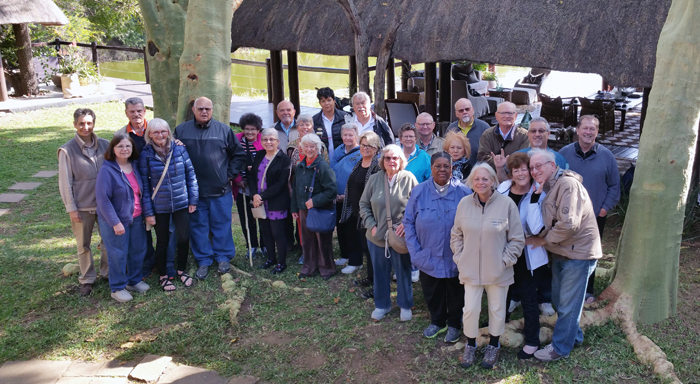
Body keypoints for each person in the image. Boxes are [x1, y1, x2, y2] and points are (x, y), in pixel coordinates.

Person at [525, 149, 602, 362]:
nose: (534, 170)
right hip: (562, 252)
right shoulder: (548, 186)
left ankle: (559, 348)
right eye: (531, 167)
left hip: (578, 254)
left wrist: (543, 240)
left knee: (567, 304)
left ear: (552, 165)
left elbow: (569, 224)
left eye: (538, 166)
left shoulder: (567, 185)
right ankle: (573, 336)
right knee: (560, 301)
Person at [451, 164, 524, 369]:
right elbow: (456, 234)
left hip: (498, 271)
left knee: (497, 309)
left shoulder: (507, 204)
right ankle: (471, 344)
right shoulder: (464, 204)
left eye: (485, 179)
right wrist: (460, 257)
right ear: (471, 182)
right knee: (471, 309)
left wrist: (504, 261)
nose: (481, 183)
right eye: (477, 179)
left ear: (493, 181)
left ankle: (494, 344)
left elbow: (517, 239)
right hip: (470, 269)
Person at [174, 97, 246, 280]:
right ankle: (203, 260)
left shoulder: (223, 130)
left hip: (220, 189)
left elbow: (238, 155)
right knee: (198, 226)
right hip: (194, 192)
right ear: (194, 109)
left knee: (222, 224)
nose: (204, 112)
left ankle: (223, 257)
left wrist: (228, 175)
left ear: (212, 109)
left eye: (207, 108)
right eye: (200, 109)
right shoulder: (181, 130)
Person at [404, 152, 471, 343]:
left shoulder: (464, 192)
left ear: (452, 169)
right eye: (438, 166)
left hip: (455, 256)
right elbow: (408, 222)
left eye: (446, 166)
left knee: (456, 292)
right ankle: (437, 321)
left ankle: (454, 324)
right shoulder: (419, 192)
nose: (442, 170)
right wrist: (415, 252)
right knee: (432, 290)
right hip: (428, 253)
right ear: (431, 169)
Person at [558, 115, 620, 303]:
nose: (588, 132)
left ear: (597, 132)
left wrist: (604, 210)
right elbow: (554, 182)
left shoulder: (606, 156)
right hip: (567, 216)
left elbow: (615, 185)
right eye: (585, 128)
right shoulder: (564, 153)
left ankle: (587, 290)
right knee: (564, 251)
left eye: (592, 129)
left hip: (594, 216)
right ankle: (563, 288)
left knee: (590, 254)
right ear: (577, 130)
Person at [115, 97, 177, 281]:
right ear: (126, 113)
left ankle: (166, 261)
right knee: (144, 228)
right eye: (132, 111)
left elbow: (170, 144)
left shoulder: (156, 129)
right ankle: (148, 263)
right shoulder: (121, 134)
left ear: (145, 111)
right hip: (136, 188)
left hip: (161, 189)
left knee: (166, 228)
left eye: (139, 111)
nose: (136, 114)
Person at [496, 152, 549, 359]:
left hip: (528, 256)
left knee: (528, 297)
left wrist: (535, 199)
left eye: (524, 169)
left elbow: (536, 229)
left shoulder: (539, 194)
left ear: (531, 171)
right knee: (502, 292)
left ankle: (533, 340)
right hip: (505, 251)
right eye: (516, 169)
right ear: (511, 172)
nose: (520, 173)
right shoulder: (502, 190)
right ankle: (498, 327)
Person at [359, 144, 418, 321]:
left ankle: (405, 305)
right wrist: (371, 225)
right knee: (380, 272)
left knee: (403, 271)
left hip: (400, 237)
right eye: (387, 158)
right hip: (376, 236)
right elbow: (363, 204)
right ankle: (382, 305)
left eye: (395, 158)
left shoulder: (409, 178)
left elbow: (418, 206)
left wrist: (407, 225)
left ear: (401, 160)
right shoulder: (375, 179)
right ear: (382, 161)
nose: (391, 161)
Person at [139, 118, 199, 292]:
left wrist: (193, 199)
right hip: (159, 206)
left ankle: (182, 269)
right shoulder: (146, 154)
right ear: (149, 134)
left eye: (163, 131)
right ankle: (164, 275)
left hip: (181, 202)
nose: (160, 135)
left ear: (168, 132)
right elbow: (144, 186)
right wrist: (148, 212)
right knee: (163, 241)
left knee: (183, 238)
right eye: (156, 132)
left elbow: (191, 175)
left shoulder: (179, 149)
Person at [58, 108, 110, 296]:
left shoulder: (105, 145)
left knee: (108, 241)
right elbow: (65, 182)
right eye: (81, 123)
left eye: (89, 123)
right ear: (75, 125)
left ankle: (108, 272)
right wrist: (71, 208)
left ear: (94, 124)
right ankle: (87, 278)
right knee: (84, 244)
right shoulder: (67, 150)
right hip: (82, 206)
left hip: (105, 205)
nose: (86, 127)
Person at [95, 134, 149, 302]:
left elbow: (140, 192)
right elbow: (103, 200)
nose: (125, 149)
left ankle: (133, 281)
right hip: (116, 221)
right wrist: (115, 222)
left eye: (128, 146)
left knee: (137, 250)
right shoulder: (107, 170)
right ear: (113, 149)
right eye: (120, 146)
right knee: (118, 254)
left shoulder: (134, 165)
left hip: (136, 218)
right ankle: (117, 287)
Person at [339, 131, 383, 299]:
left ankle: (377, 284)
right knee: (365, 247)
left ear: (376, 148)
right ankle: (370, 277)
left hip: (372, 214)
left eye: (369, 146)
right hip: (358, 213)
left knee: (374, 250)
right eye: (363, 145)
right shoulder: (359, 162)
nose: (365, 148)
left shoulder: (378, 166)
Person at [291, 134, 338, 280]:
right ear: (302, 148)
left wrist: (315, 201)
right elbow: (296, 189)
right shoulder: (300, 166)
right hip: (303, 209)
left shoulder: (323, 166)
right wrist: (294, 208)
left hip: (320, 209)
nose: (309, 149)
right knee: (307, 240)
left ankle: (327, 268)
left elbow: (331, 190)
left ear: (318, 148)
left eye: (312, 146)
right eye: (306, 146)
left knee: (322, 240)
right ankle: (309, 267)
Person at [252, 128, 292, 274]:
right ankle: (270, 258)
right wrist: (255, 195)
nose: (268, 142)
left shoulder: (284, 159)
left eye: (271, 139)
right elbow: (252, 176)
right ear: (261, 141)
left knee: (277, 233)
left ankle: (281, 262)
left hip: (276, 202)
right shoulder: (259, 155)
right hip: (259, 201)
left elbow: (281, 183)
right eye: (265, 139)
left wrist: (262, 197)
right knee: (265, 231)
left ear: (278, 141)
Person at [330, 123, 363, 273]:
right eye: (345, 135)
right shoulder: (338, 150)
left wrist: (347, 195)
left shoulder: (360, 153)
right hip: (337, 196)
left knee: (352, 229)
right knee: (340, 226)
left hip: (353, 198)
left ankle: (356, 261)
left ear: (357, 136)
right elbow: (333, 170)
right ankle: (344, 255)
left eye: (351, 135)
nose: (348, 138)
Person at [234, 113, 265, 256]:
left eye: (253, 129)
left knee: (263, 216)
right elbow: (231, 161)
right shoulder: (236, 140)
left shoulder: (264, 140)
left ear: (258, 129)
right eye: (247, 129)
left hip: (260, 187)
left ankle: (265, 244)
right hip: (242, 186)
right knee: (246, 216)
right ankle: (251, 245)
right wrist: (238, 180)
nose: (250, 132)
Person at [476, 102, 529, 175]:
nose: (506, 116)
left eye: (510, 113)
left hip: (514, 177)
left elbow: (523, 159)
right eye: (503, 113)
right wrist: (498, 164)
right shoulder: (487, 134)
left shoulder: (525, 136)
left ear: (516, 116)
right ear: (496, 116)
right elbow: (482, 157)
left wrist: (505, 164)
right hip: (491, 176)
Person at [447, 98, 490, 165]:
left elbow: (489, 153)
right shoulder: (451, 128)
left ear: (472, 110)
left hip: (477, 171)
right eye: (461, 110)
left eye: (467, 109)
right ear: (456, 114)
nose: (464, 112)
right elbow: (446, 151)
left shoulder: (484, 128)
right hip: (456, 171)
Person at [313, 87, 348, 157]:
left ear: (334, 101)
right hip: (322, 160)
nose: (326, 103)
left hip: (342, 158)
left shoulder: (345, 117)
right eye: (323, 101)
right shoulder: (314, 120)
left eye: (329, 100)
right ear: (319, 103)